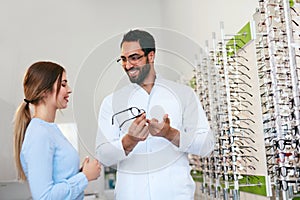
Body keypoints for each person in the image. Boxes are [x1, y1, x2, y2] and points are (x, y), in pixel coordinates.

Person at [95, 29, 215, 200]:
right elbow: (102, 155)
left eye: (134, 58)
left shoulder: (183, 95)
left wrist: (170, 134)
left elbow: (206, 145)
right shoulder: (112, 102)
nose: (128, 65)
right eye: (123, 59)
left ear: (151, 56)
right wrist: (129, 140)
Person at [13, 61, 101, 200]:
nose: (69, 90)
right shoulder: (39, 133)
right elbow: (44, 196)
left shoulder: (49, 129)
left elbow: (58, 178)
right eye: (64, 84)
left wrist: (80, 173)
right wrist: (84, 177)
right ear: (44, 91)